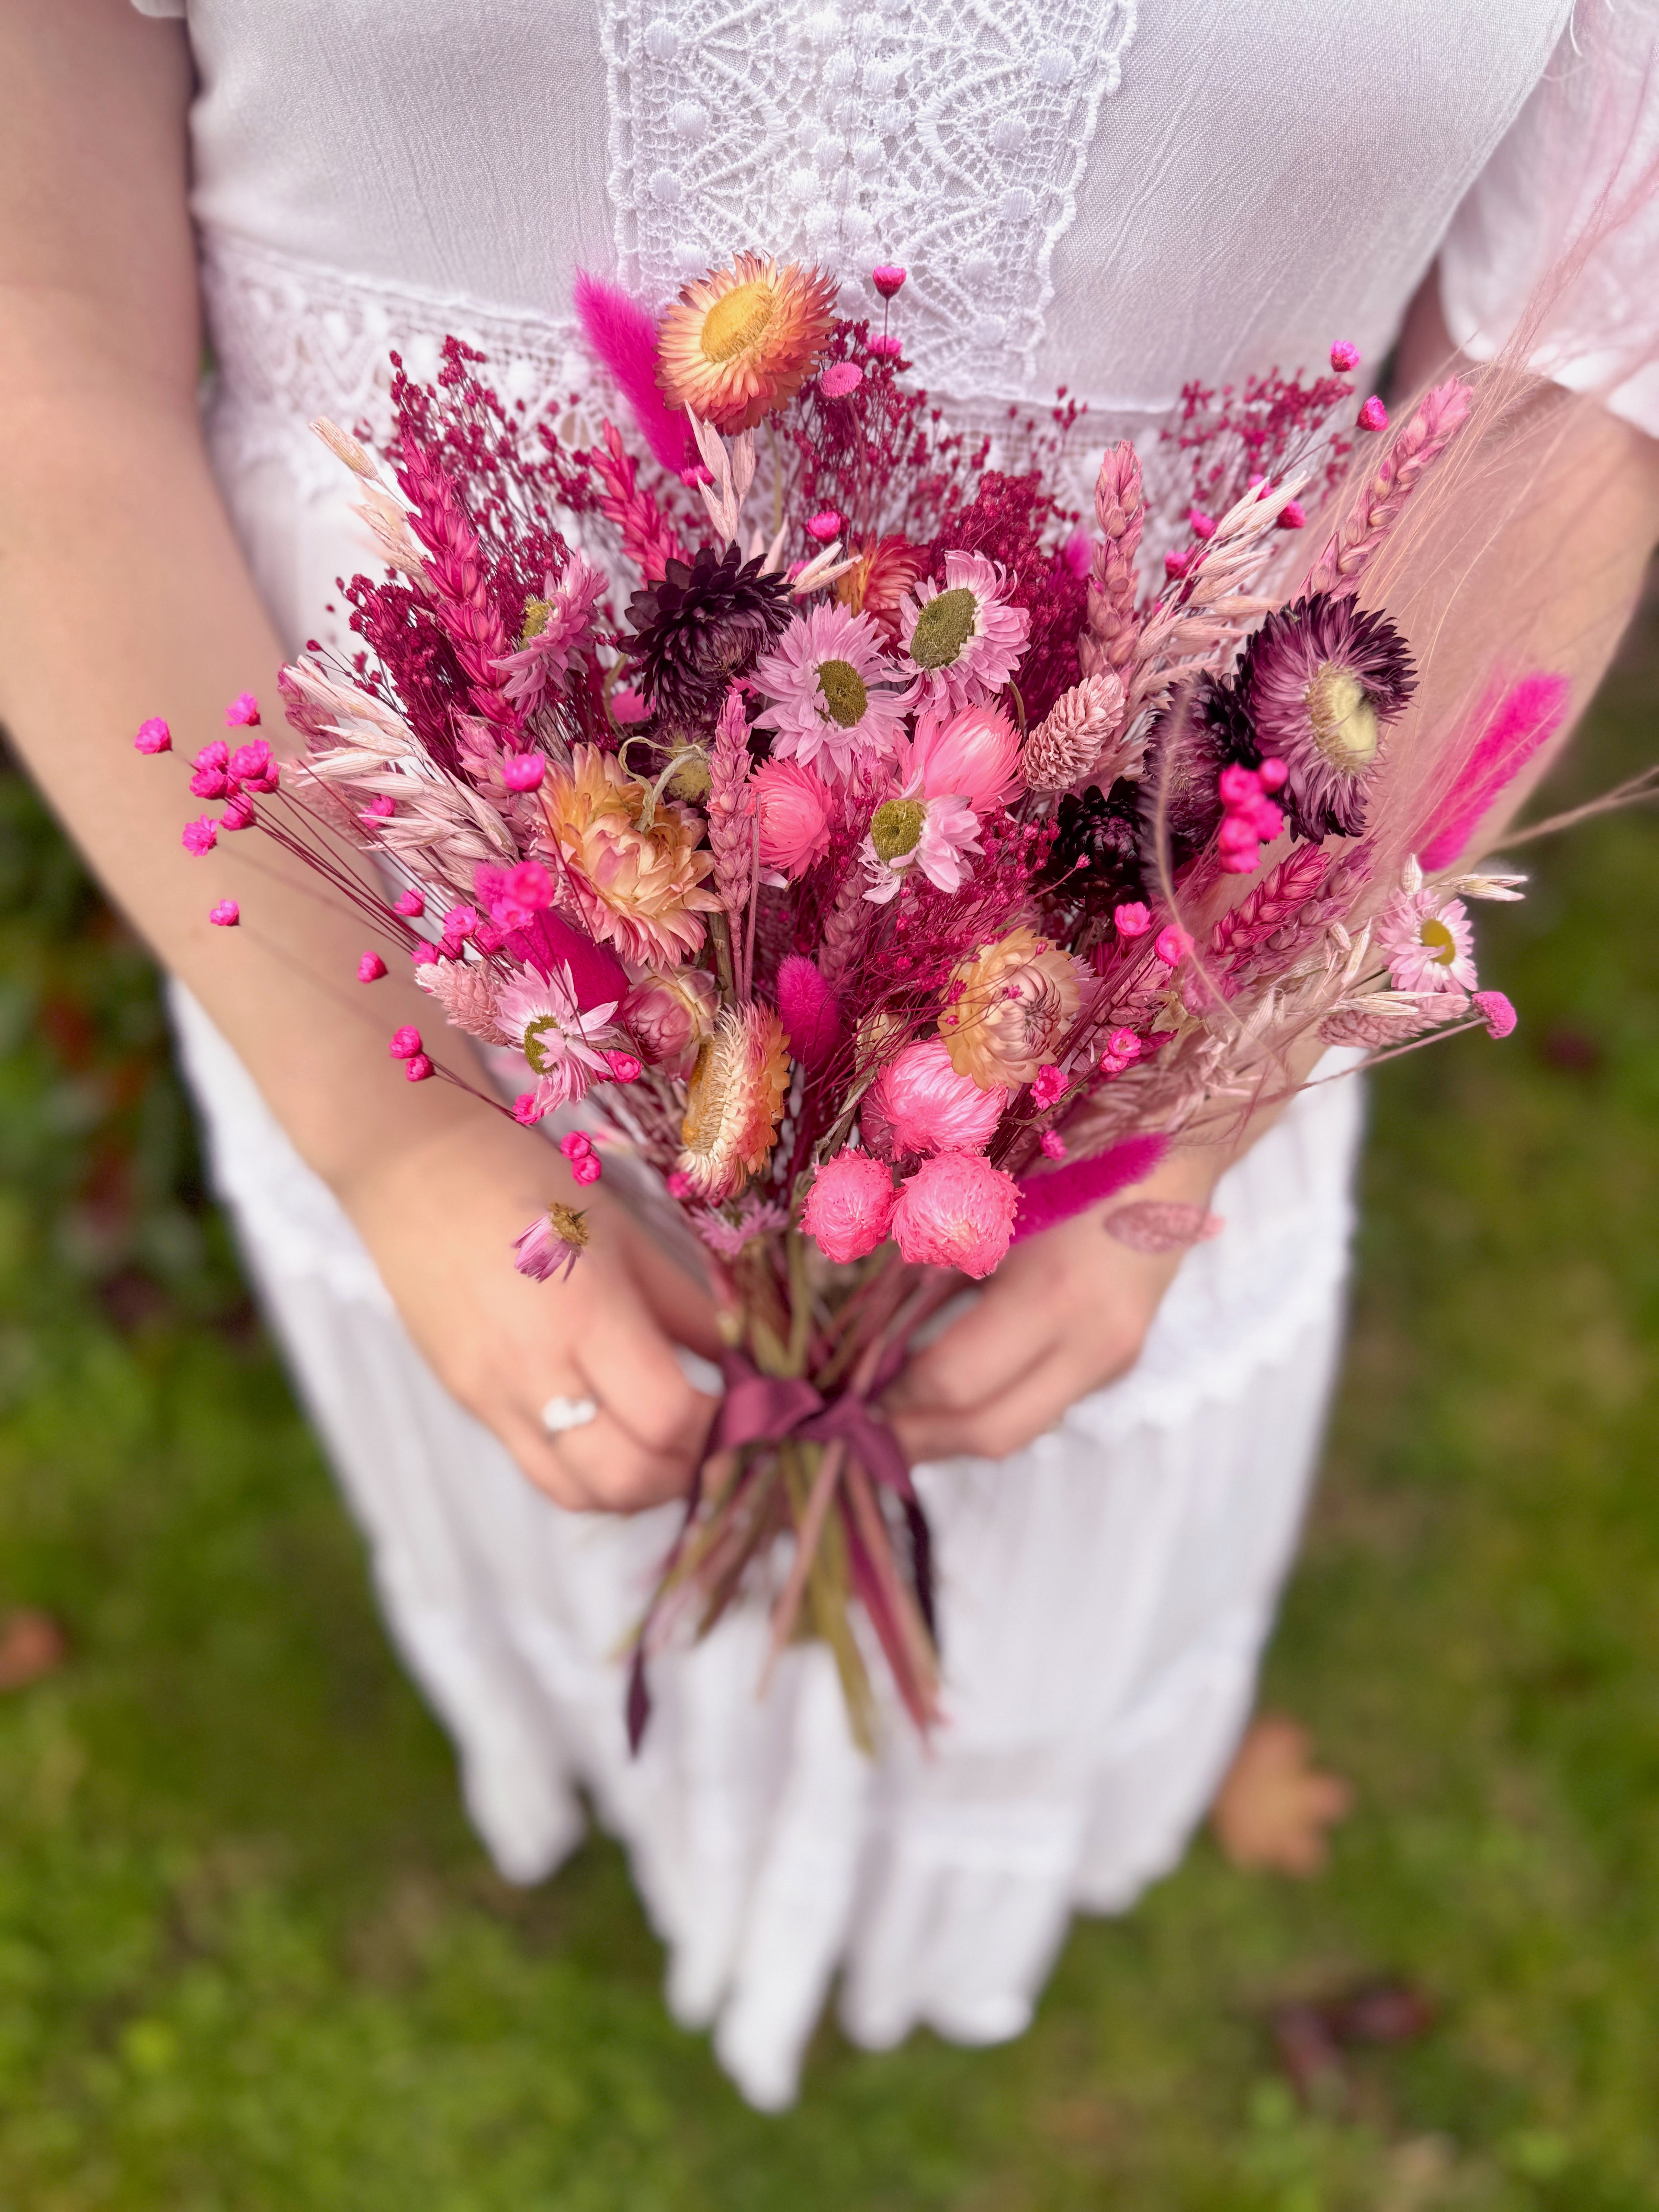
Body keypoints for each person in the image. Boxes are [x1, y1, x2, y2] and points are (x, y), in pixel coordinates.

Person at [1, 0, 1655, 2110]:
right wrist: (390, 1135)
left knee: (1012, 1568)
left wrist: (1178, 1113)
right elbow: (38, 344)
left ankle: (944, 1863)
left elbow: (1577, 376)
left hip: (1132, 1049)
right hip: (397, 994)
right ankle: (612, 1768)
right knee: (566, 1505)